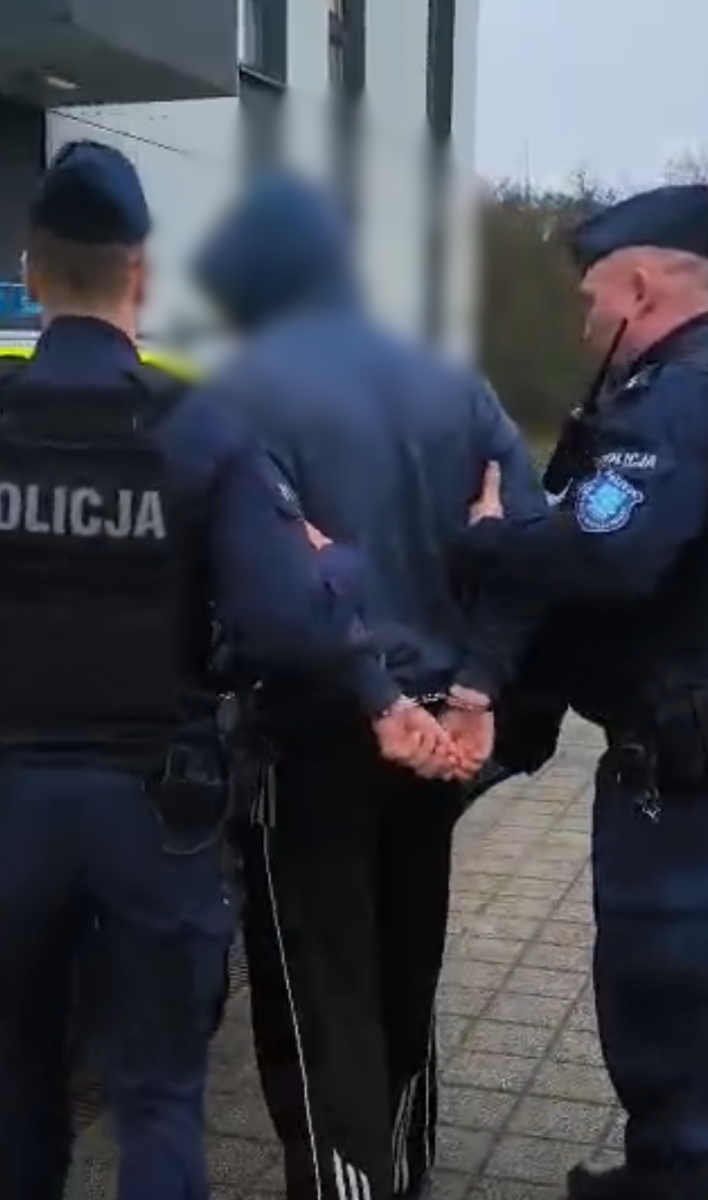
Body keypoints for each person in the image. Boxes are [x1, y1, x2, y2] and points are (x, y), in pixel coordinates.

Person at [0, 141, 456, 1200]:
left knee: (16, 1081)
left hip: (12, 813)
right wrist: (340, 566)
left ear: (31, 272)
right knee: (160, 1095)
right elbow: (286, 625)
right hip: (158, 820)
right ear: (142, 272)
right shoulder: (199, 430)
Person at [190, 169, 545, 1200]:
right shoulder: (454, 385)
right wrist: (475, 689)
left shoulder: (243, 392)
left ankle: (348, 1182)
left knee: (319, 989)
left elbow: (268, 581)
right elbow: (525, 555)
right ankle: (403, 1165)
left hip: (314, 737)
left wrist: (371, 692)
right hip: (437, 737)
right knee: (403, 959)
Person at [460, 182, 708, 1200]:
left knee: (669, 999)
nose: (584, 323)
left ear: (641, 286)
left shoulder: (678, 398)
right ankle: (671, 1172)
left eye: (593, 299)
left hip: (693, 762)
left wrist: (489, 538)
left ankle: (691, 1179)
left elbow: (609, 553)